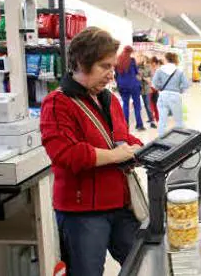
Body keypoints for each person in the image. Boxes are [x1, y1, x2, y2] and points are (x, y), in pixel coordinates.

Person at [40, 27, 143, 276]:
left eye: (112, 67)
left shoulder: (109, 99)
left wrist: (139, 147)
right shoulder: (57, 103)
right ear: (79, 63)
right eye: (104, 66)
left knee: (142, 263)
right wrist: (115, 156)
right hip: (82, 213)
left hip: (120, 205)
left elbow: (120, 136)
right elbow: (65, 153)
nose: (111, 74)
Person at [152, 52, 190, 136]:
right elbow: (186, 84)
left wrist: (161, 88)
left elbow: (154, 84)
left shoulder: (159, 70)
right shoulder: (179, 71)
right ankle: (180, 139)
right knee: (178, 120)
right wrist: (179, 90)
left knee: (162, 120)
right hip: (175, 96)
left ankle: (161, 138)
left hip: (163, 95)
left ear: (166, 59)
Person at [115, 46, 145, 131]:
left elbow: (116, 75)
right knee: (137, 105)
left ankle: (125, 125)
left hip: (123, 86)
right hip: (134, 85)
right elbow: (136, 72)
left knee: (125, 105)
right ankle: (139, 125)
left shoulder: (118, 61)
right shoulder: (132, 60)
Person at [137, 54, 156, 129]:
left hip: (147, 90)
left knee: (148, 106)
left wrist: (143, 78)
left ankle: (152, 121)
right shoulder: (136, 67)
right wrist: (143, 78)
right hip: (138, 89)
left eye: (141, 58)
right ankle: (139, 124)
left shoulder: (148, 67)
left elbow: (150, 79)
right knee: (138, 107)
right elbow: (137, 78)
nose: (140, 60)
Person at [149, 56, 161, 123]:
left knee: (155, 104)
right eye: (152, 63)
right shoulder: (151, 69)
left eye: (153, 63)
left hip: (154, 89)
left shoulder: (157, 70)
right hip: (151, 88)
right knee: (151, 104)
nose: (152, 64)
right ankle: (153, 118)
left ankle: (157, 117)